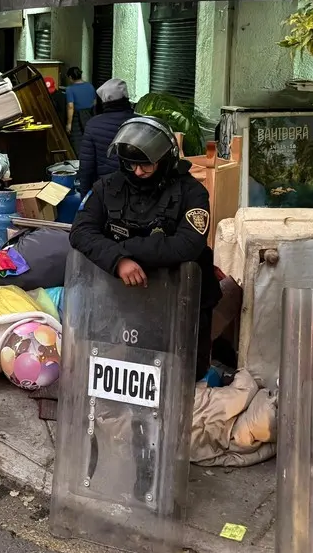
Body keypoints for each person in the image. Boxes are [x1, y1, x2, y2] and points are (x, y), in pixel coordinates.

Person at [70, 115, 220, 380]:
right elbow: (81, 231)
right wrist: (118, 261)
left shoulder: (191, 193)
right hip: (125, 301)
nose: (138, 172)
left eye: (147, 166)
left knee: (185, 376)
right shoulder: (107, 187)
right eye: (131, 164)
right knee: (132, 371)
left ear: (165, 160)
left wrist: (125, 251)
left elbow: (187, 245)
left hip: (182, 303)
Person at [76, 78, 136, 193]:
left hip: (106, 188)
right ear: (126, 97)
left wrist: (84, 194)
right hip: (136, 188)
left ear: (104, 101)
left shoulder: (93, 124)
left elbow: (86, 166)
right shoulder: (138, 122)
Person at [64, 66, 97, 148]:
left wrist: (69, 124)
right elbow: (94, 102)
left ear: (70, 77)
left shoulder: (70, 89)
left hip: (77, 117)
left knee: (77, 142)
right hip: (90, 115)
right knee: (89, 140)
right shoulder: (90, 86)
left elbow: (70, 107)